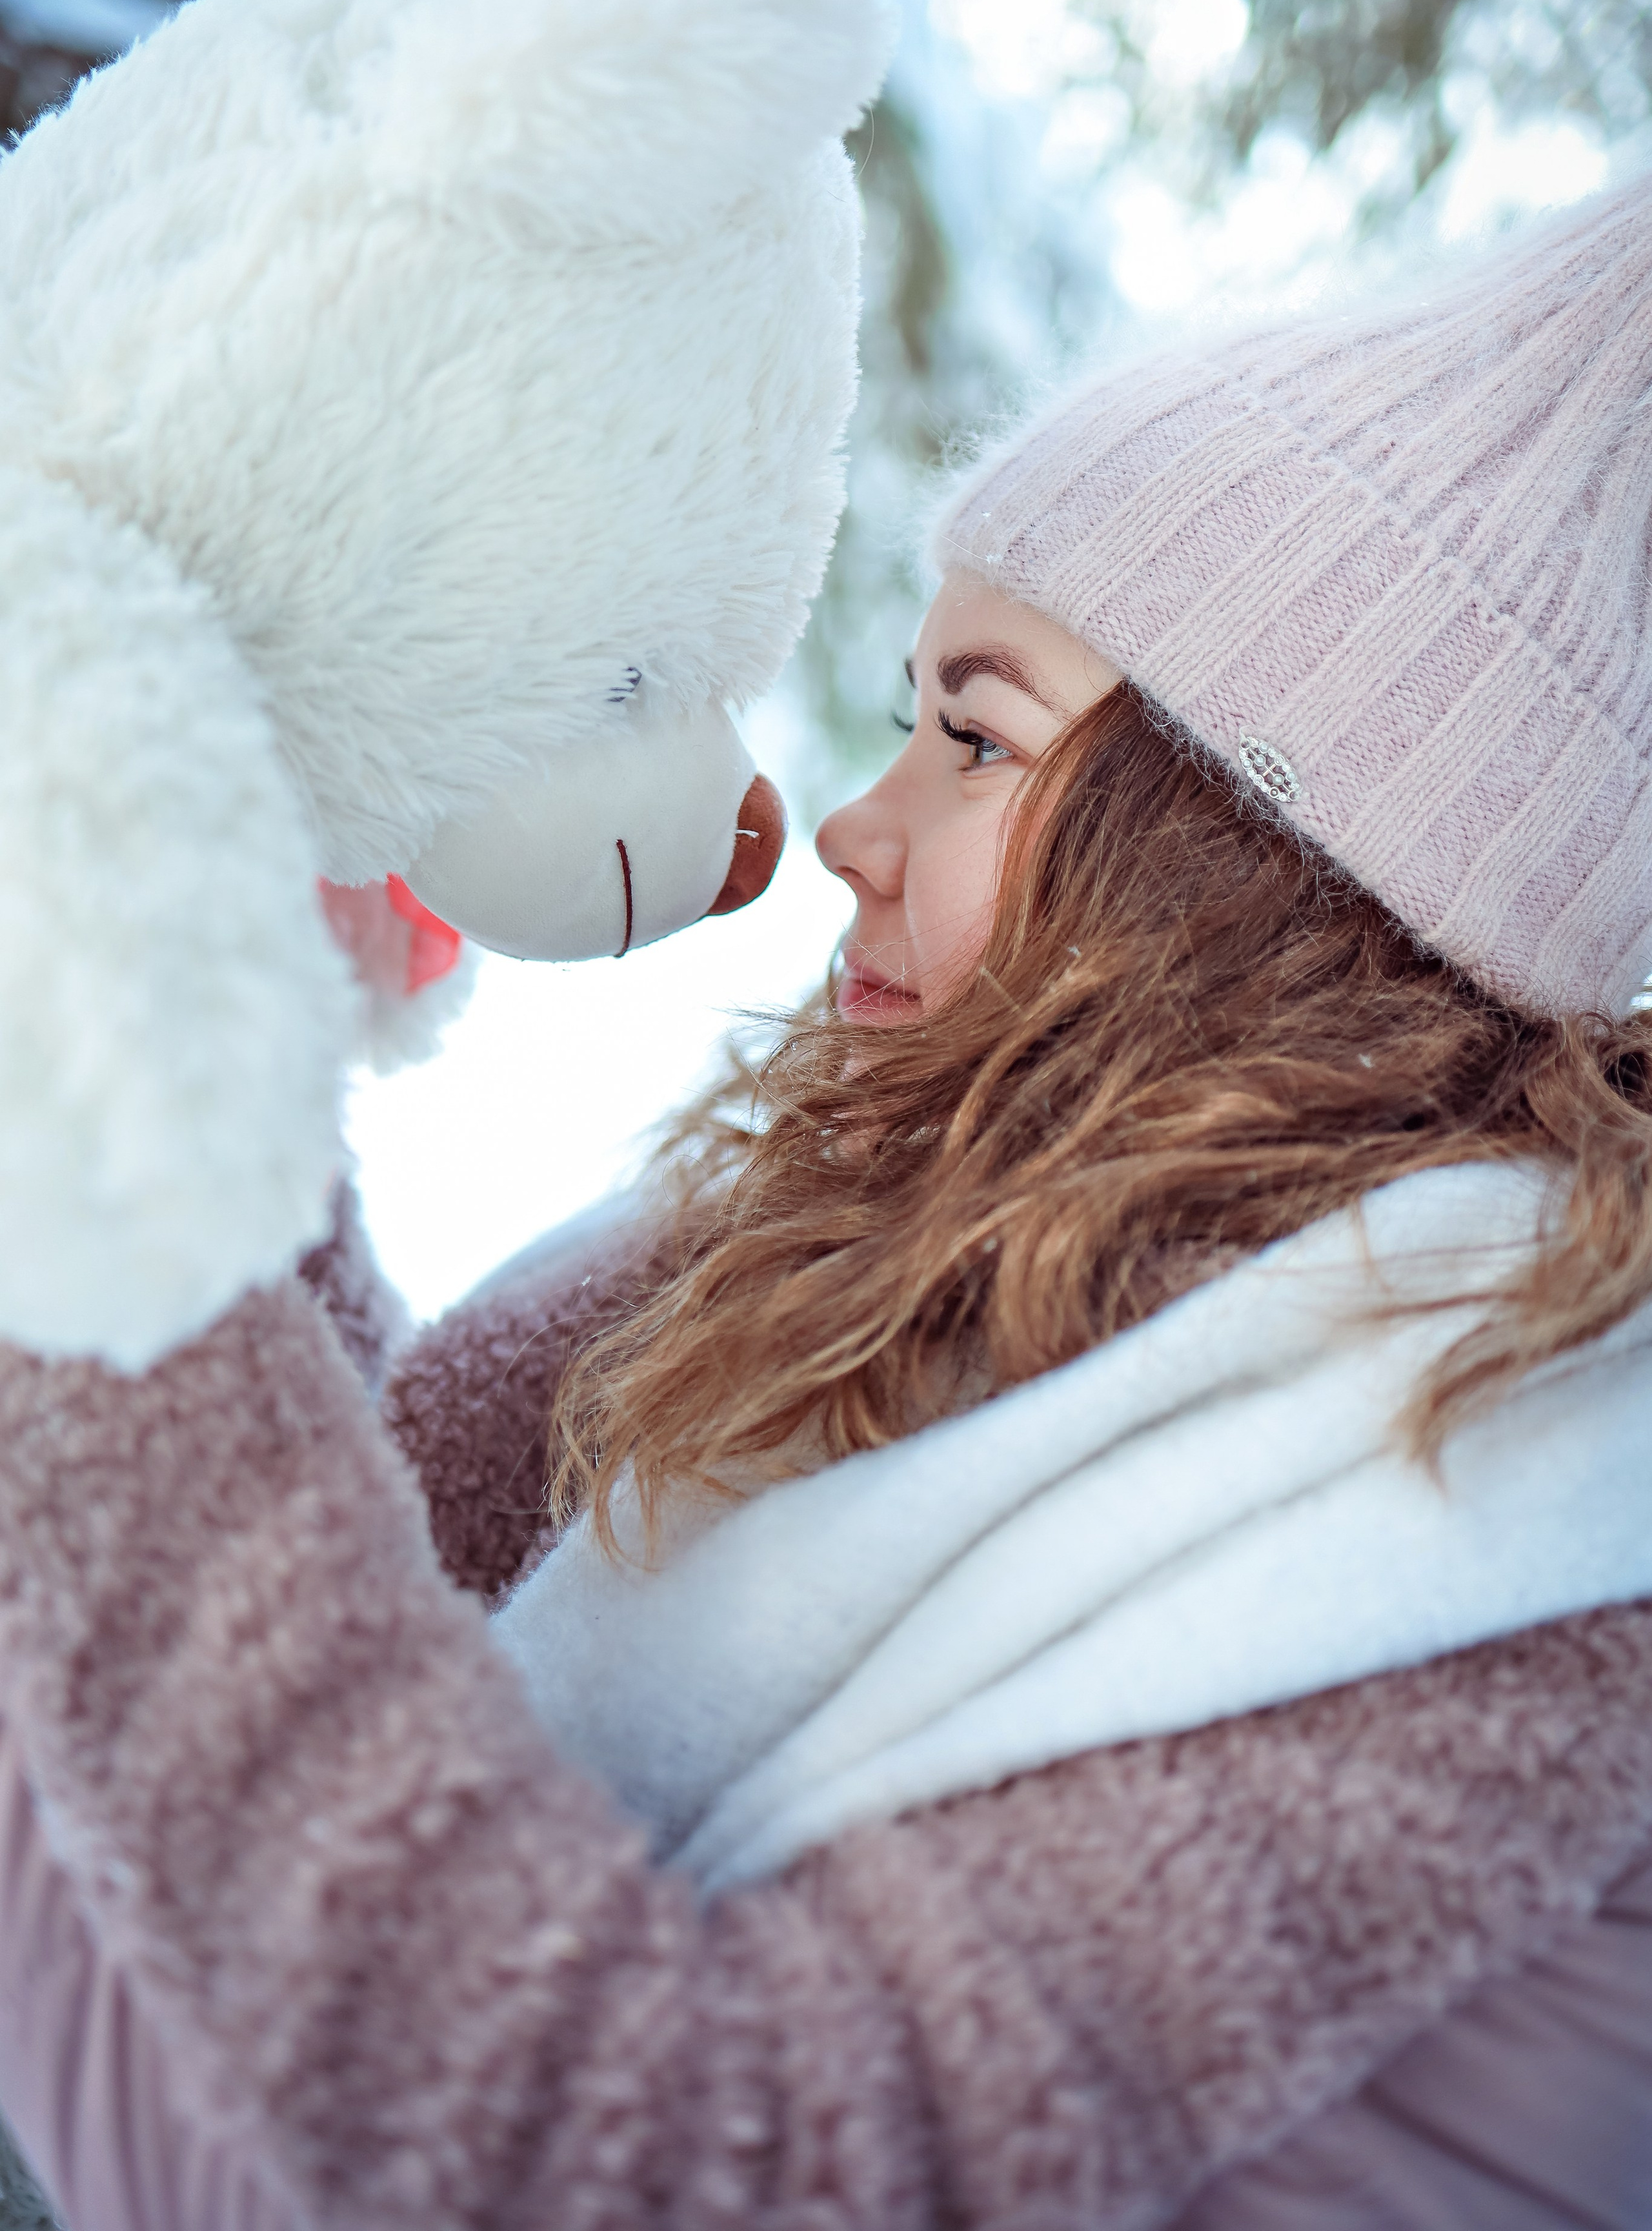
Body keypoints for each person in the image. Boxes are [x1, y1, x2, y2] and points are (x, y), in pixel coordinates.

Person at [3, 176, 1652, 2231]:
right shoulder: (842, 1232)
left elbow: (649, 2164)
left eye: (974, 740)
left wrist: (105, 1210)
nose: (852, 831)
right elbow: (349, 1588)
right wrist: (200, 1032)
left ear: (1255, 876)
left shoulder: (1496, 1534)